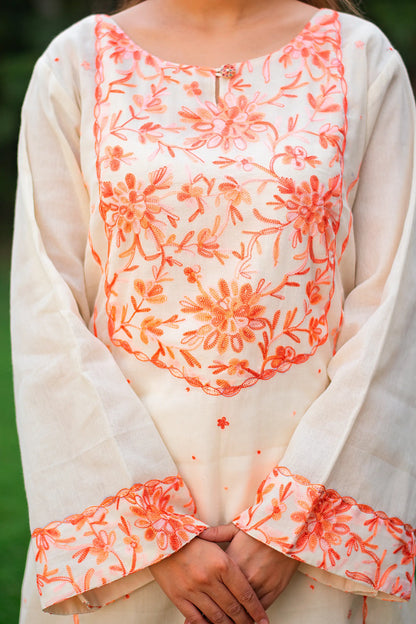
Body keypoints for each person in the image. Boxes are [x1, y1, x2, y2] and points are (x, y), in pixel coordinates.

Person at [11, 0, 416, 622]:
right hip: (130, 547)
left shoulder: (363, 60)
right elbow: (47, 313)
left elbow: (395, 308)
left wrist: (290, 527)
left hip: (312, 547)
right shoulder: (77, 64)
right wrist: (155, 534)